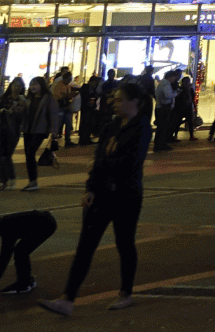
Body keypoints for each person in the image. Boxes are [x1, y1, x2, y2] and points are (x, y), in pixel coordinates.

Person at [38, 79, 152, 316]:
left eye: (120, 99)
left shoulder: (141, 128)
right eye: (114, 99)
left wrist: (100, 165)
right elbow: (99, 156)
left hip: (126, 195)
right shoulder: (111, 126)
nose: (115, 103)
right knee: (85, 246)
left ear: (135, 103)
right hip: (101, 193)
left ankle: (126, 293)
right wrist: (90, 188)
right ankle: (67, 299)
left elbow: (130, 163)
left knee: (124, 243)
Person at [0, 208, 56, 295]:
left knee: (21, 252)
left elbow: (6, 253)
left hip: (45, 225)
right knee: (21, 251)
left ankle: (24, 284)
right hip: (44, 222)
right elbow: (6, 252)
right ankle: (27, 281)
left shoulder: (8, 227)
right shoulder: (6, 223)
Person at [21, 77, 59, 190]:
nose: (33, 87)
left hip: (40, 129)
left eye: (35, 84)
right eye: (31, 84)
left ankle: (33, 182)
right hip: (28, 129)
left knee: (30, 152)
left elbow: (54, 114)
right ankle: (32, 181)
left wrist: (54, 130)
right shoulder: (28, 98)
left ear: (42, 85)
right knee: (28, 155)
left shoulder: (48, 99)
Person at [152, 70, 179, 152]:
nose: (175, 79)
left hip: (161, 108)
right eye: (174, 77)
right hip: (163, 108)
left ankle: (160, 144)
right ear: (170, 77)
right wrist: (176, 93)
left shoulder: (162, 84)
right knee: (163, 128)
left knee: (161, 128)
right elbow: (168, 95)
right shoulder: (166, 85)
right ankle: (160, 145)